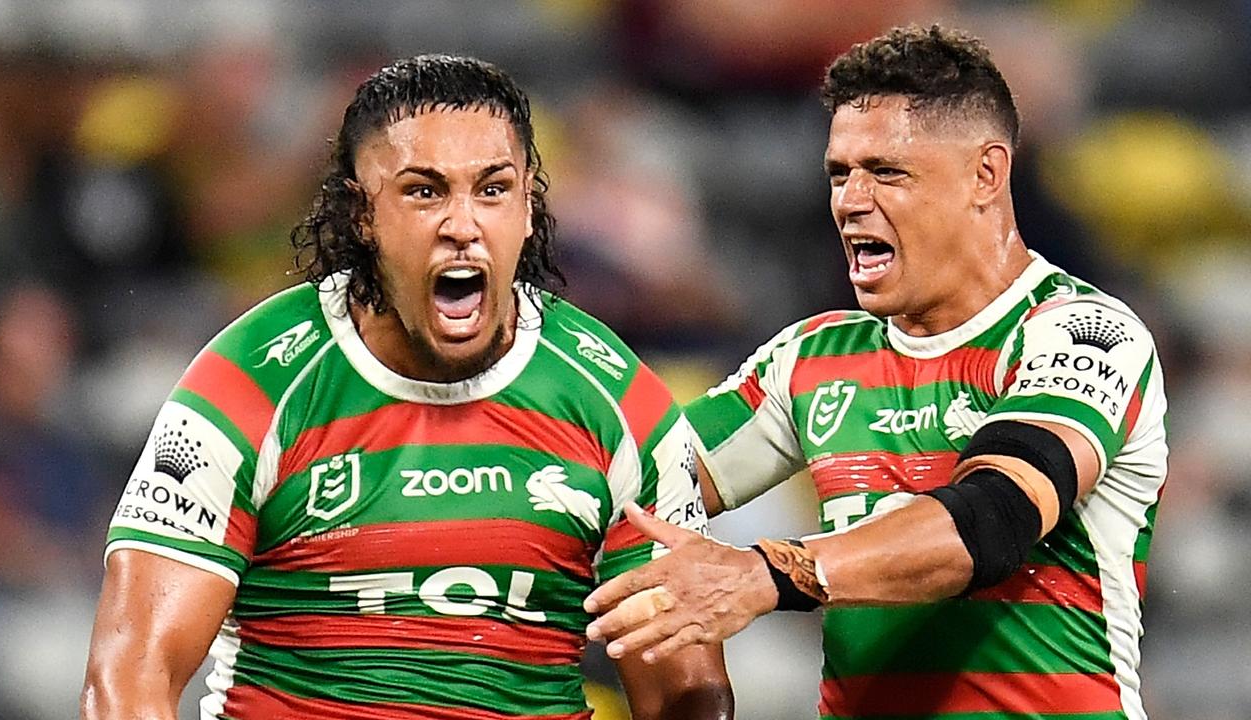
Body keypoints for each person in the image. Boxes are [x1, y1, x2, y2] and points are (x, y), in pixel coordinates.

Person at [81, 55, 732, 720]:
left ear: (530, 207)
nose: (462, 224)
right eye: (424, 192)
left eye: (492, 190)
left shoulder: (616, 400)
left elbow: (686, 694)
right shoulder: (251, 382)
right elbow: (132, 676)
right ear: (361, 214)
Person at [585, 25, 1167, 720]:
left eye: (886, 171)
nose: (850, 201)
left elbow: (993, 521)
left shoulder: (1082, 333)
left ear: (986, 174)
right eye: (839, 172)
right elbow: (625, 484)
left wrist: (770, 573)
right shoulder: (810, 358)